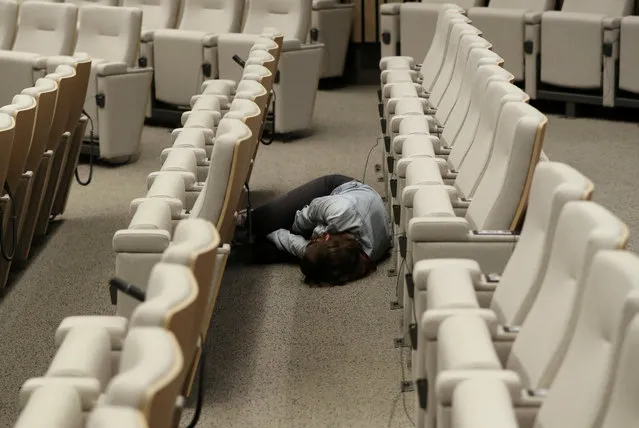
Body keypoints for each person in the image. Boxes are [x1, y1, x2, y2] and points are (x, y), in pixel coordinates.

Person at [237, 174, 391, 285]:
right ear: (326, 238)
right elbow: (304, 218)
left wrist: (277, 235)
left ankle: (233, 250)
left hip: (340, 226)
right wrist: (287, 227)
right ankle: (241, 222)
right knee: (266, 219)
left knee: (266, 251)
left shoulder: (344, 263)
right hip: (340, 189)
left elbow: (299, 247)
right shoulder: (340, 211)